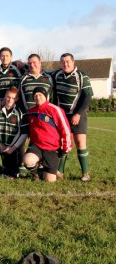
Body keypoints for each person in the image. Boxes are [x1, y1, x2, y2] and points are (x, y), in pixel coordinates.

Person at [52, 53, 93, 181]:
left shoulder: (81, 76)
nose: (65, 64)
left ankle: (85, 173)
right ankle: (59, 171)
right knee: (63, 142)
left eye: (68, 61)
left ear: (73, 62)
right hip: (62, 116)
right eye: (63, 62)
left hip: (77, 115)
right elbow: (42, 71)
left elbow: (87, 97)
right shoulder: (56, 75)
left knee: (80, 142)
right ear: (60, 63)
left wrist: (78, 114)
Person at [23, 87, 72, 182]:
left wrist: (66, 148)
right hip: (36, 146)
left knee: (50, 181)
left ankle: (47, 170)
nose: (38, 97)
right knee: (27, 161)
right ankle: (36, 174)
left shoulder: (55, 110)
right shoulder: (30, 112)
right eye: (35, 95)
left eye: (40, 95)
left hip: (52, 148)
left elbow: (65, 129)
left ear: (46, 96)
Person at [0, 87, 29, 179]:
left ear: (17, 99)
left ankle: (7, 168)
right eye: (8, 97)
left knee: (12, 174)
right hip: (1, 145)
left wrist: (13, 147)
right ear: (4, 97)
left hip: (14, 147)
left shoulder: (21, 113)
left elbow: (23, 133)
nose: (10, 100)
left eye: (13, 98)